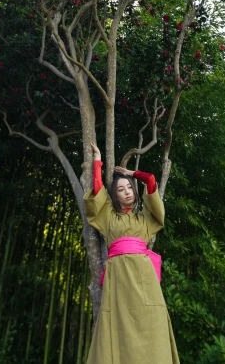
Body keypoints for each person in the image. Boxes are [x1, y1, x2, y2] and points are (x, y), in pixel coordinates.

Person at [84, 141, 180, 364]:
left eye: (129, 188)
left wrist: (130, 173)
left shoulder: (145, 217)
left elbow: (151, 181)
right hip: (118, 277)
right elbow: (98, 190)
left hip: (144, 277)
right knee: (114, 327)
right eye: (120, 189)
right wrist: (97, 161)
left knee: (151, 324)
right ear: (114, 196)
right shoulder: (108, 216)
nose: (126, 192)